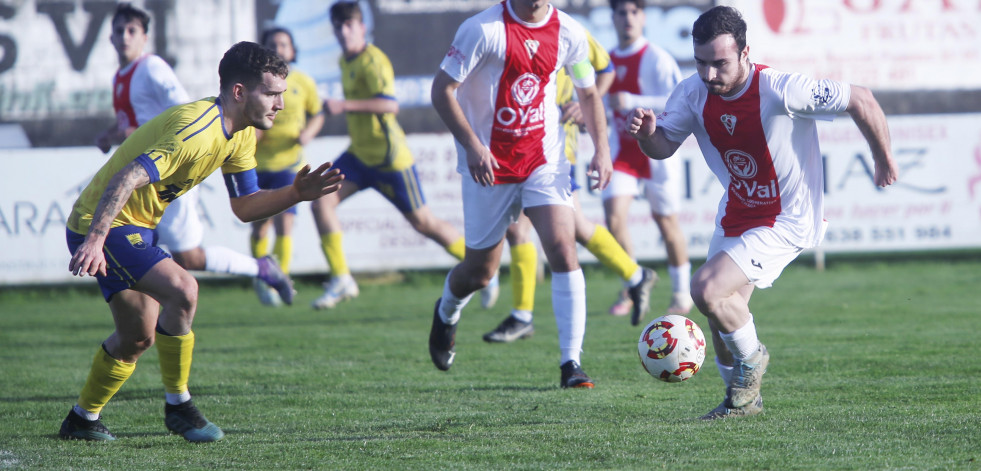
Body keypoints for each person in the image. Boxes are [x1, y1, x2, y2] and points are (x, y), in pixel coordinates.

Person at [60, 41, 343, 442]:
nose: (281, 103)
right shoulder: (197, 130)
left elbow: (245, 206)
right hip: (103, 224)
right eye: (272, 93)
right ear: (240, 92)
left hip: (135, 227)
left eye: (282, 93)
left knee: (137, 336)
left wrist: (296, 193)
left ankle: (81, 420)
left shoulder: (241, 133)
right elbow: (127, 177)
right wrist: (95, 239)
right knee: (184, 289)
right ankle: (179, 406)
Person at [626, 6, 897, 418]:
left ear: (745, 52)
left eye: (720, 63)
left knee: (706, 289)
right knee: (720, 318)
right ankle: (743, 403)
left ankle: (753, 363)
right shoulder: (691, 92)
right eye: (701, 63)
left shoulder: (781, 89)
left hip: (787, 217)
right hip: (738, 211)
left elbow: (862, 99)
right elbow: (663, 147)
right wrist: (648, 136)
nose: (710, 74)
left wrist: (884, 158)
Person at [429, 0, 612, 388]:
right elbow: (442, 91)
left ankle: (571, 364)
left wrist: (602, 150)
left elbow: (589, 93)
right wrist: (473, 146)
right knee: (480, 273)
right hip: (489, 165)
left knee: (563, 247)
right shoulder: (481, 30)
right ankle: (446, 312)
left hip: (543, 160)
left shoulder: (570, 32)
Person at [94, 3, 296, 306]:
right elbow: (136, 121)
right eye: (119, 31)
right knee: (161, 265)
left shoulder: (151, 68)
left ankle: (260, 268)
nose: (124, 36)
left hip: (171, 167)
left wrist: (137, 134)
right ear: (110, 38)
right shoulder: (120, 76)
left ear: (145, 37)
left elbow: (180, 109)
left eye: (132, 30)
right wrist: (114, 133)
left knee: (186, 258)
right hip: (147, 177)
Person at [310, 1, 495, 310]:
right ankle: (342, 278)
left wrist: (344, 106)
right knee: (320, 202)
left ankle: (479, 266)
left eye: (348, 25)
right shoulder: (346, 60)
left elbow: (389, 105)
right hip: (359, 156)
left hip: (389, 159)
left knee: (424, 223)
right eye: (338, 26)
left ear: (362, 27)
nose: (343, 32)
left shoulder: (373, 61)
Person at [482, 30, 657, 343]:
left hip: (554, 146)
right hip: (524, 143)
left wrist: (585, 101)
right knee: (577, 226)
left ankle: (522, 315)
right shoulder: (505, 28)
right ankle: (636, 275)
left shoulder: (566, 29)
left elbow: (605, 70)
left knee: (520, 229)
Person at [604, 0, 693, 321]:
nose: (627, 18)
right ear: (612, 18)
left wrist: (633, 101)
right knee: (614, 219)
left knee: (666, 223)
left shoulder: (656, 58)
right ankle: (633, 284)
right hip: (622, 154)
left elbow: (676, 102)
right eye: (621, 12)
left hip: (656, 151)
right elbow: (600, 105)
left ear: (643, 17)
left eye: (633, 12)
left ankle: (681, 292)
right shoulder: (606, 61)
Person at [251, 26, 326, 306]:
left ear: (292, 50)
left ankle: (277, 279)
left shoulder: (303, 82)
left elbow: (318, 113)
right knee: (259, 228)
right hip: (259, 163)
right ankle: (261, 275)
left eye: (284, 44)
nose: (279, 49)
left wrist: (308, 132)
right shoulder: (257, 84)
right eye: (273, 44)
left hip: (290, 163)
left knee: (285, 225)